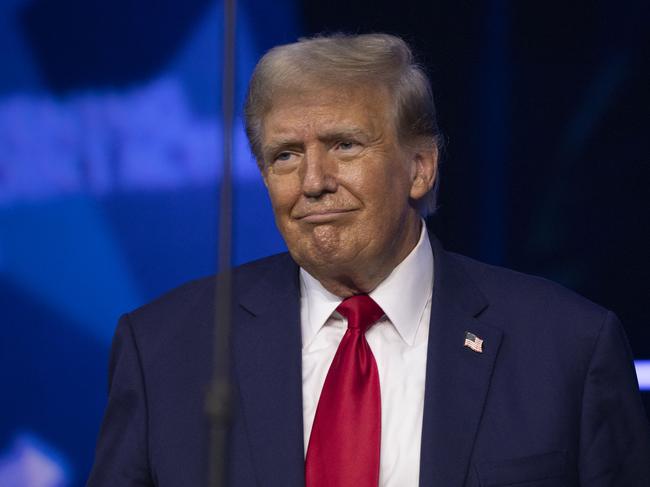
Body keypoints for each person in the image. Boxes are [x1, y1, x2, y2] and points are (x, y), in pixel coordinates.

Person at [87, 33, 650, 487]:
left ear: (421, 167)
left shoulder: (568, 348)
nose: (313, 182)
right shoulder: (167, 347)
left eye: (344, 146)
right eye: (285, 156)